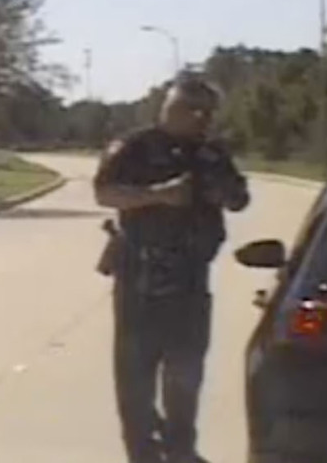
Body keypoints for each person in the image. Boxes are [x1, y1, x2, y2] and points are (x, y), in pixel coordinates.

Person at [93, 73, 250, 463]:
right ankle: (143, 451)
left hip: (191, 283)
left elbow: (239, 198)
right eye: (187, 109)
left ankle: (182, 448)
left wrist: (221, 191)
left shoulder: (212, 153)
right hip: (140, 283)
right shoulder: (134, 147)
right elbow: (104, 192)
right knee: (136, 381)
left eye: (204, 113)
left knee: (185, 377)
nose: (197, 119)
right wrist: (155, 196)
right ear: (169, 107)